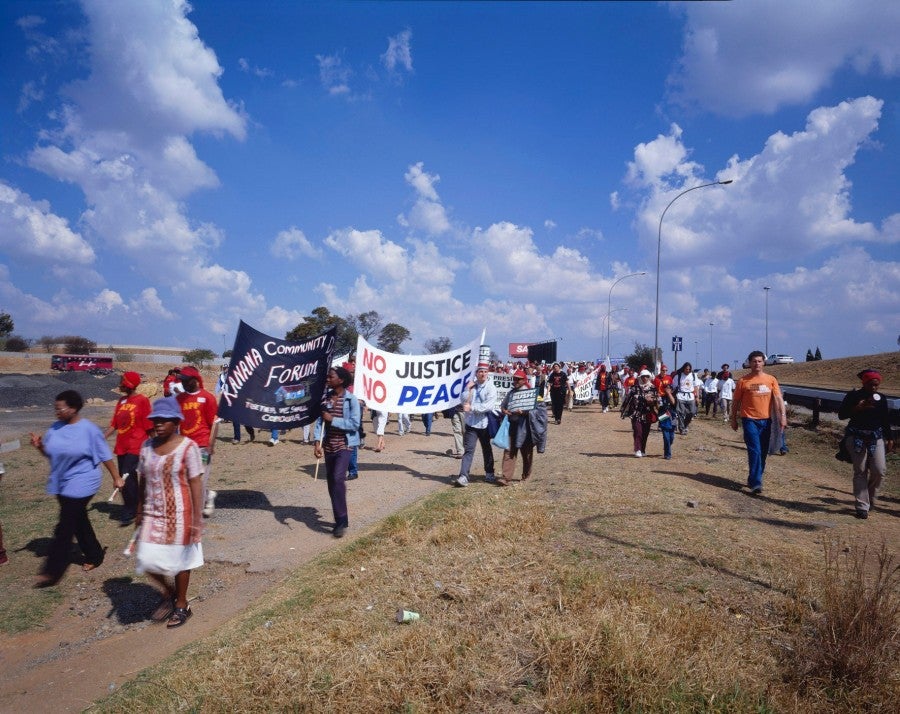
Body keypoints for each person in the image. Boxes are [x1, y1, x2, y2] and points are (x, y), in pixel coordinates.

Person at [30, 390, 124, 588]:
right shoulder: (55, 428)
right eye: (55, 408)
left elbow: (104, 455)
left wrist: (116, 477)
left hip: (84, 481)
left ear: (73, 408)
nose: (56, 412)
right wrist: (40, 447)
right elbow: (51, 454)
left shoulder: (88, 429)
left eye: (60, 408)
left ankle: (51, 572)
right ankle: (95, 554)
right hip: (61, 483)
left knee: (64, 527)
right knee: (77, 519)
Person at [134, 396, 204, 628]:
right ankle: (169, 591)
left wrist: (196, 519)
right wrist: (139, 509)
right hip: (153, 512)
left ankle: (182, 604)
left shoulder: (189, 447)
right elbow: (142, 479)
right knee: (146, 559)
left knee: (180, 561)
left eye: (164, 420)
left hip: (180, 513)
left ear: (176, 422)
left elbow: (195, 482)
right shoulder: (146, 447)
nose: (158, 424)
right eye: (155, 419)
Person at [838, 370, 894, 519]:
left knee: (879, 470)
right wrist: (857, 408)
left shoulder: (881, 398)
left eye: (877, 385)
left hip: (876, 437)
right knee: (860, 470)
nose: (874, 388)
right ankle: (862, 506)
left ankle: (870, 498)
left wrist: (890, 438)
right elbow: (841, 414)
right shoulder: (854, 396)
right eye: (871, 384)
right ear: (864, 383)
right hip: (856, 436)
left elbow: (884, 419)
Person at [313, 367, 361, 538]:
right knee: (331, 483)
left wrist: (333, 419)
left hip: (345, 445)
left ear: (340, 380)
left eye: (330, 376)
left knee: (337, 478)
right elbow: (320, 422)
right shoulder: (325, 399)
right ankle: (341, 517)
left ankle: (340, 523)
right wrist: (317, 443)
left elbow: (355, 424)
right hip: (329, 446)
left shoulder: (351, 400)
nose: (327, 378)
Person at [730, 351, 786, 495]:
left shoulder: (771, 380)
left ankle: (754, 477)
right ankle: (756, 483)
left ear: (764, 363)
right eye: (754, 361)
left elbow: (779, 400)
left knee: (762, 451)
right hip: (749, 420)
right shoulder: (743, 381)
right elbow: (736, 401)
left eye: (760, 361)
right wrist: (733, 419)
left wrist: (783, 417)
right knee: (754, 450)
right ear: (749, 363)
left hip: (766, 421)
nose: (757, 364)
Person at [103, 371, 152, 524]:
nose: (120, 384)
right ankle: (135, 505)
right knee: (123, 477)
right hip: (122, 445)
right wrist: (102, 437)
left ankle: (130, 510)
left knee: (127, 476)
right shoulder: (122, 401)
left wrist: (157, 444)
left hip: (137, 444)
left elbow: (148, 425)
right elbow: (115, 424)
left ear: (129, 384)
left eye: (122, 381)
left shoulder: (142, 400)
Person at [175, 366, 219, 516]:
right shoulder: (179, 399)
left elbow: (214, 423)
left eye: (186, 381)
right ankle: (208, 495)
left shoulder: (208, 398)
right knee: (186, 479)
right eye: (182, 381)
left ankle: (195, 516)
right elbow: (175, 423)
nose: (184, 384)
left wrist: (210, 444)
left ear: (195, 380)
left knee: (199, 479)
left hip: (202, 445)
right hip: (184, 446)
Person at [497, 370, 547, 485]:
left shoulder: (533, 394)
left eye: (518, 379)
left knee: (526, 452)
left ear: (524, 380)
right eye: (514, 379)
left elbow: (540, 410)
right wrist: (504, 410)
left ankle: (526, 475)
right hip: (512, 425)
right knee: (509, 450)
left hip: (525, 426)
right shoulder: (511, 393)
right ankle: (506, 477)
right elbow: (503, 406)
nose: (515, 381)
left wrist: (525, 412)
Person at [454, 364, 497, 487]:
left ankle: (489, 473)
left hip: (484, 424)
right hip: (471, 424)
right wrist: (467, 389)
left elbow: (488, 406)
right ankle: (463, 476)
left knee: (486, 449)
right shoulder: (472, 386)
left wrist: (472, 407)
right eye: (480, 372)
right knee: (468, 450)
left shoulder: (491, 387)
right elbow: (463, 400)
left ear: (487, 373)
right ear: (476, 373)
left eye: (485, 372)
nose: (482, 374)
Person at [621, 369, 659, 457]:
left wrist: (652, 400)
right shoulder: (634, 388)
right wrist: (624, 411)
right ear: (640, 377)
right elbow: (627, 400)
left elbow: (657, 400)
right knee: (638, 431)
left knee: (645, 433)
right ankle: (637, 449)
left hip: (648, 414)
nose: (645, 378)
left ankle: (642, 450)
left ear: (649, 377)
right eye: (643, 376)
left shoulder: (653, 388)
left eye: (646, 376)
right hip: (636, 413)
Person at [216, 365, 255, 444]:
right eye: (224, 368)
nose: (225, 369)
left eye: (226, 368)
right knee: (235, 419)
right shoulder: (222, 376)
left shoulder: (236, 374)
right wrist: (216, 393)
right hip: (231, 400)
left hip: (240, 399)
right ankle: (237, 438)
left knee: (245, 421)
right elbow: (218, 385)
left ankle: (251, 433)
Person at [673, 363, 699, 435]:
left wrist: (697, 397)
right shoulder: (678, 376)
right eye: (686, 369)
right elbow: (674, 387)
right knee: (680, 413)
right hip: (680, 396)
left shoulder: (693, 376)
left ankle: (685, 424)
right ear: (683, 368)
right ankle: (682, 429)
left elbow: (696, 387)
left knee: (692, 412)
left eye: (689, 369)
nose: (688, 370)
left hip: (691, 396)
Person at [658, 382, 677, 459]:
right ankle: (667, 454)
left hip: (672, 417)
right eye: (666, 388)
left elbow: (673, 402)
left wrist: (669, 394)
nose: (667, 389)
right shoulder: (661, 397)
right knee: (666, 436)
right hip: (664, 416)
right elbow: (658, 406)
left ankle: (667, 446)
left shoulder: (674, 397)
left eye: (669, 388)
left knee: (671, 437)